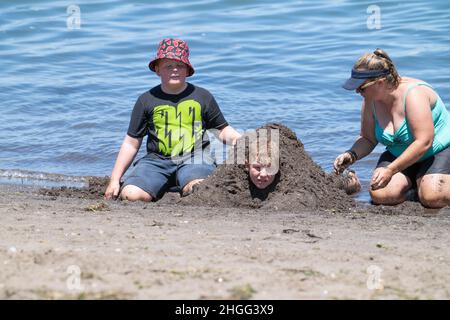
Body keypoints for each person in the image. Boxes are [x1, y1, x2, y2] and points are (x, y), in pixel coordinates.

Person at [104, 38, 241, 202]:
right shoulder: (146, 100)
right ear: (157, 70)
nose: (175, 70)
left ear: (187, 70)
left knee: (200, 189)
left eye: (180, 65)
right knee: (130, 195)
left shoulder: (203, 97)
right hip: (156, 162)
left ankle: (185, 182)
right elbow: (131, 143)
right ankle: (159, 183)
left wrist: (243, 142)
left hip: (195, 159)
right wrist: (114, 179)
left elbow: (222, 130)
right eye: (168, 66)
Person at [334, 48, 450, 208]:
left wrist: (391, 169)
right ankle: (416, 185)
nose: (357, 91)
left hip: (437, 151)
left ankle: (425, 185)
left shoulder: (414, 94)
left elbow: (424, 142)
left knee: (433, 197)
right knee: (381, 195)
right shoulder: (370, 100)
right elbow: (368, 138)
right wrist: (351, 154)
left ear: (380, 83)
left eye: (361, 87)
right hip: (400, 153)